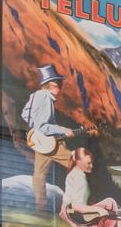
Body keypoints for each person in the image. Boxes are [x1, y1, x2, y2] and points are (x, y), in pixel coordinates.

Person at [20, 64, 78, 214]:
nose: (62, 86)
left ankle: (41, 210)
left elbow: (25, 114)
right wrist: (63, 130)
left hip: (42, 143)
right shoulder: (45, 97)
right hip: (49, 142)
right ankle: (76, 206)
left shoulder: (37, 96)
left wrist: (35, 131)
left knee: (39, 175)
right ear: (52, 84)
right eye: (60, 83)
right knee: (78, 165)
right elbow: (43, 126)